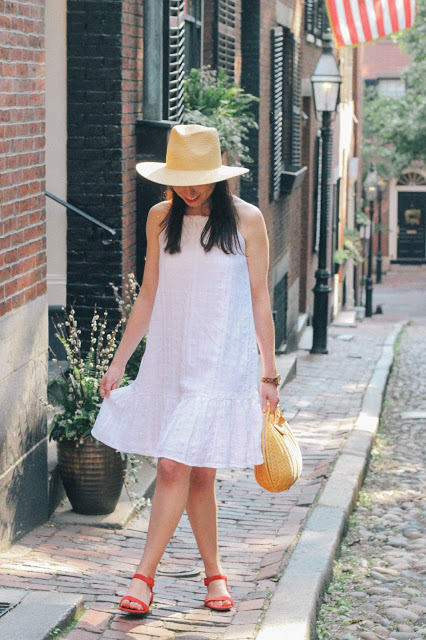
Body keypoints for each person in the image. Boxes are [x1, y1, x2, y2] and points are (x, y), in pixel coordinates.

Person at [91, 124, 280, 615]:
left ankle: (143, 578)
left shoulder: (246, 220)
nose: (189, 189)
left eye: (198, 179)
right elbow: (148, 294)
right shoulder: (160, 218)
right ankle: (215, 574)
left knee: (176, 464)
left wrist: (269, 372)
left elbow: (261, 297)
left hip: (222, 361)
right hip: (172, 359)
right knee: (196, 476)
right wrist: (119, 363)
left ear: (218, 177)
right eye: (179, 179)